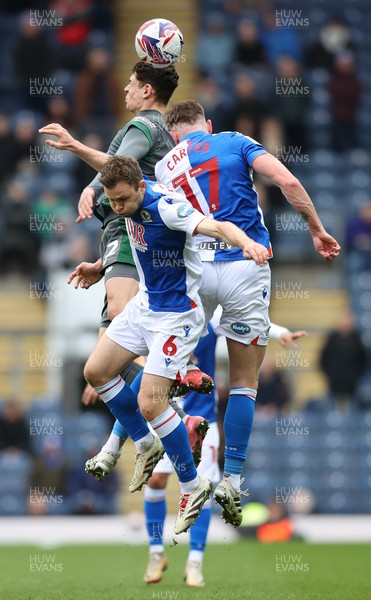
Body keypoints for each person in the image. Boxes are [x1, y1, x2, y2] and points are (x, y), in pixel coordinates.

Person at [153, 99, 340, 527]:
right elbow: (287, 181)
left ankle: (179, 461)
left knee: (171, 363)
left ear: (173, 133)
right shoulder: (235, 141)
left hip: (194, 271)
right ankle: (231, 479)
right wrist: (316, 228)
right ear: (208, 125)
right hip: (245, 264)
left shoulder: (164, 167)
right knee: (244, 382)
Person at [77, 154, 269, 534]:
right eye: (111, 201)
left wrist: (247, 242)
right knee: (96, 371)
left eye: (122, 201)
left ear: (141, 187)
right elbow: (134, 238)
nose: (116, 208)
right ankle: (146, 444)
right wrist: (99, 267)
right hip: (145, 305)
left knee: (151, 401)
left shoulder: (168, 206)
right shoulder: (121, 200)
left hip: (177, 314)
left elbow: (215, 226)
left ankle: (193, 487)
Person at [39, 63, 212, 459]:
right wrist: (101, 264)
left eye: (132, 84)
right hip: (137, 239)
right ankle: (179, 417)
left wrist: (78, 154)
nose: (125, 91)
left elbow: (122, 172)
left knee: (118, 314)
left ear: (148, 90)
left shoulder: (143, 127)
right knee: (105, 357)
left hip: (126, 232)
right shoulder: (166, 133)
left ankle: (177, 386)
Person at [143, 317, 307, 587]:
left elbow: (249, 318)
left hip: (202, 419)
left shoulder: (210, 313)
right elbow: (132, 346)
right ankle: (155, 552)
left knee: (199, 490)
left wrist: (281, 333)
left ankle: (195, 562)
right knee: (156, 480)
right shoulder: (163, 309)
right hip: (163, 415)